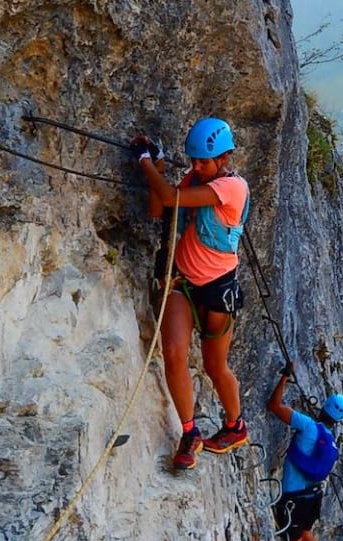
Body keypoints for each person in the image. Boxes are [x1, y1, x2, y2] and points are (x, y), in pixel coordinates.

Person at [133, 118, 250, 470]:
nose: (197, 167)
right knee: (172, 354)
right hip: (182, 280)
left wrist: (144, 163)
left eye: (204, 162)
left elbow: (170, 197)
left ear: (225, 158)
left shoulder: (233, 188)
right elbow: (160, 208)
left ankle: (235, 425)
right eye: (194, 161)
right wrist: (161, 169)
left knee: (215, 365)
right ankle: (189, 433)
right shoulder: (193, 180)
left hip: (217, 287)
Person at [266, 363, 343, 541]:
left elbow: (275, 406)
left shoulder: (306, 425)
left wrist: (283, 377)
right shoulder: (331, 441)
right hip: (314, 498)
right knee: (306, 534)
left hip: (294, 499)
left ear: (324, 407)